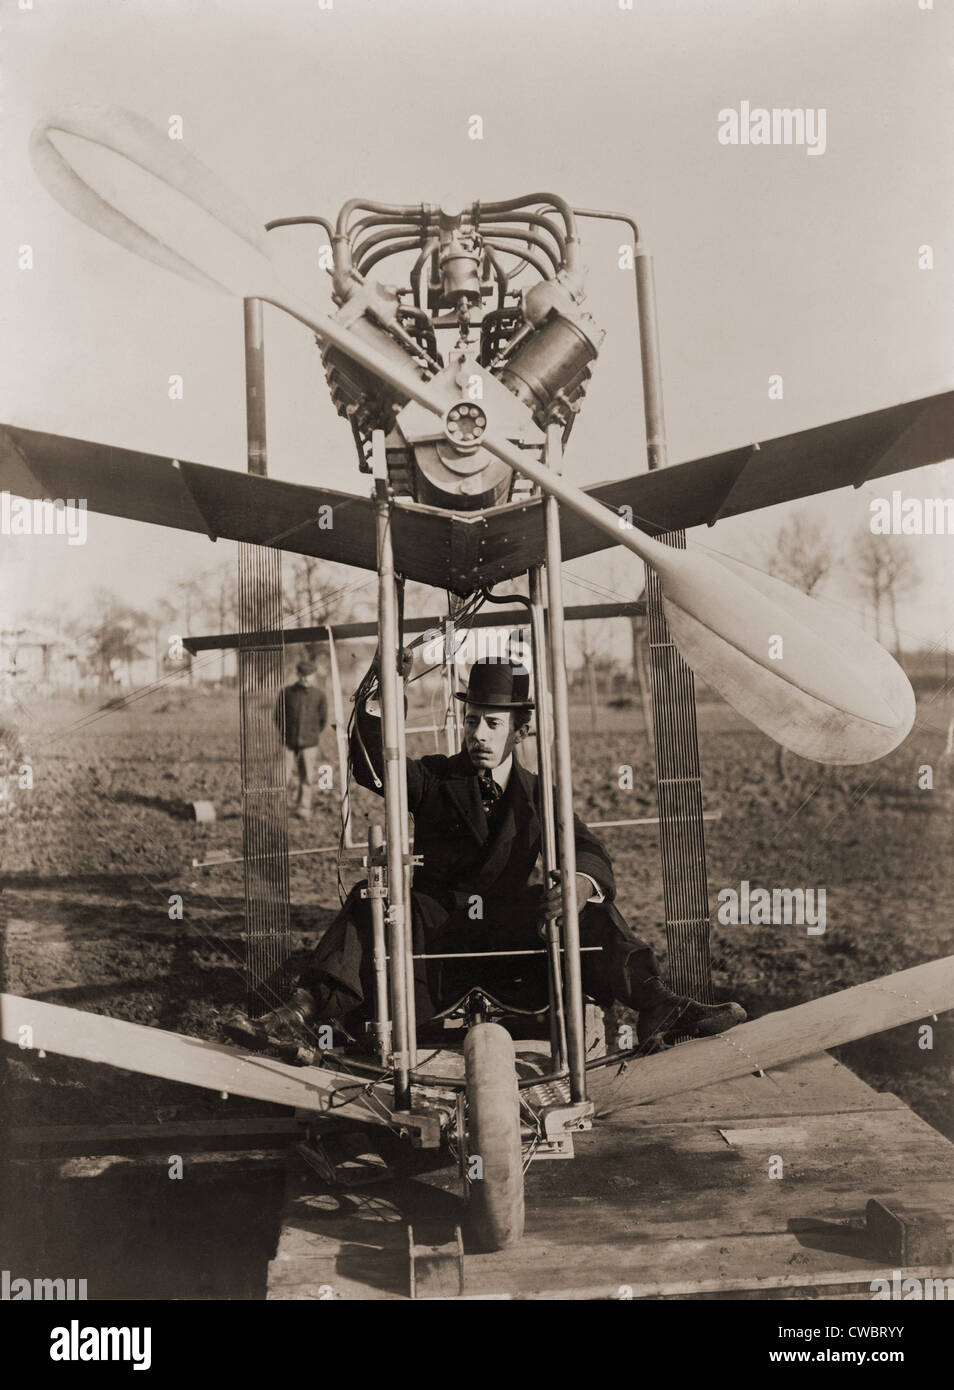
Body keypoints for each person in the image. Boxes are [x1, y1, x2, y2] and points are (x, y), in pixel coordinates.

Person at [239, 657, 745, 1049]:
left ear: (519, 730)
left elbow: (587, 847)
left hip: (514, 944)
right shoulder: (436, 778)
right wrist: (378, 694)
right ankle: (303, 1012)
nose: (478, 733)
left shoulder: (537, 793)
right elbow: (371, 768)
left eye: (493, 724)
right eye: (473, 720)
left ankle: (660, 1005)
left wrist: (580, 885)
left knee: (590, 908)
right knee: (368, 898)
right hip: (435, 941)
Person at [275, 658, 328, 820]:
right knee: (282, 776)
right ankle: (279, 810)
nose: (305, 678)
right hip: (288, 743)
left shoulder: (319, 695)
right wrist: (286, 733)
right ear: (297, 674)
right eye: (302, 674)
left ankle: (303, 808)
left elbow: (322, 720)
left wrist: (311, 734)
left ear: (314, 676)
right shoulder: (286, 693)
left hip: (309, 743)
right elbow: (278, 716)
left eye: (309, 674)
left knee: (307, 777)